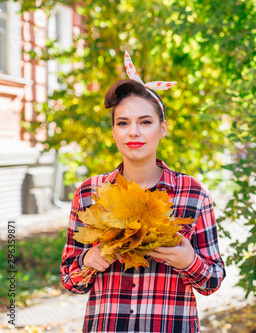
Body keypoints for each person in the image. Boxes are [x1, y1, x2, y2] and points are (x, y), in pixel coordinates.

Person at [60, 52, 225, 333]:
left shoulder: (192, 193)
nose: (133, 132)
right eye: (123, 123)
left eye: (145, 122)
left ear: (162, 129)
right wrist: (88, 262)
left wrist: (189, 262)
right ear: (113, 131)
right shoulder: (91, 193)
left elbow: (212, 281)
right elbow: (70, 279)